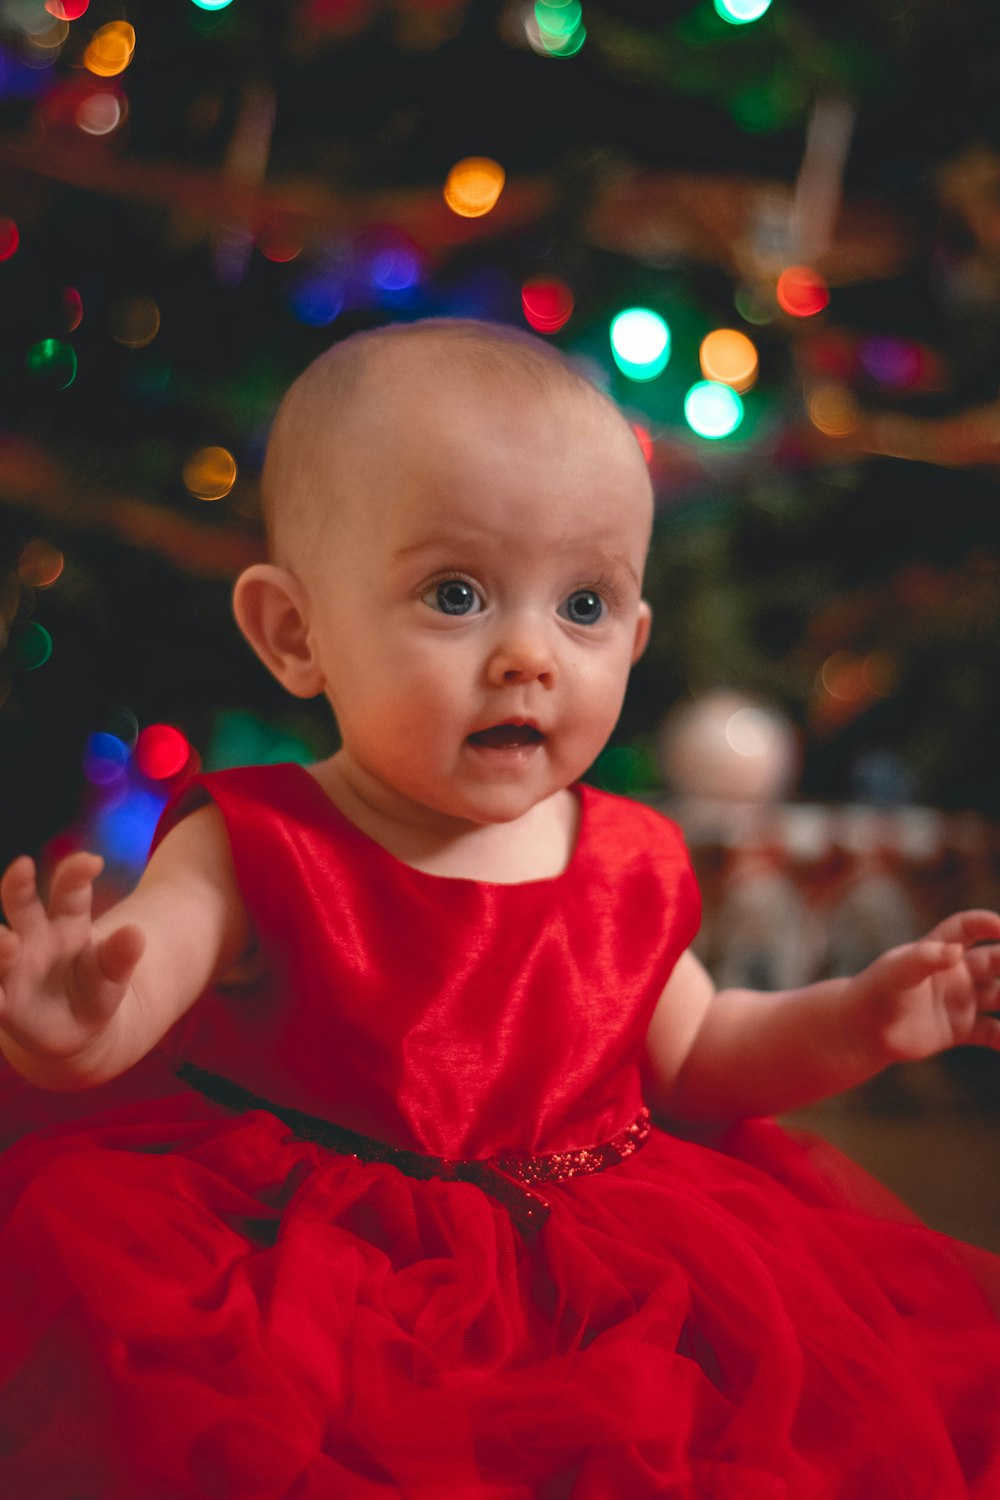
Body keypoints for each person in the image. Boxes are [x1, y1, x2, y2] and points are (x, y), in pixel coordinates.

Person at [0, 318, 998, 1499]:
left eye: (583, 606)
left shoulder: (627, 860)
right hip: (308, 1273)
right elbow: (150, 969)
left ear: (632, 638)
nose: (529, 654)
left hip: (603, 1276)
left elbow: (696, 1055)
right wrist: (83, 1025)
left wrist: (859, 1020)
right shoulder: (258, 842)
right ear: (295, 632)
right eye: (457, 593)